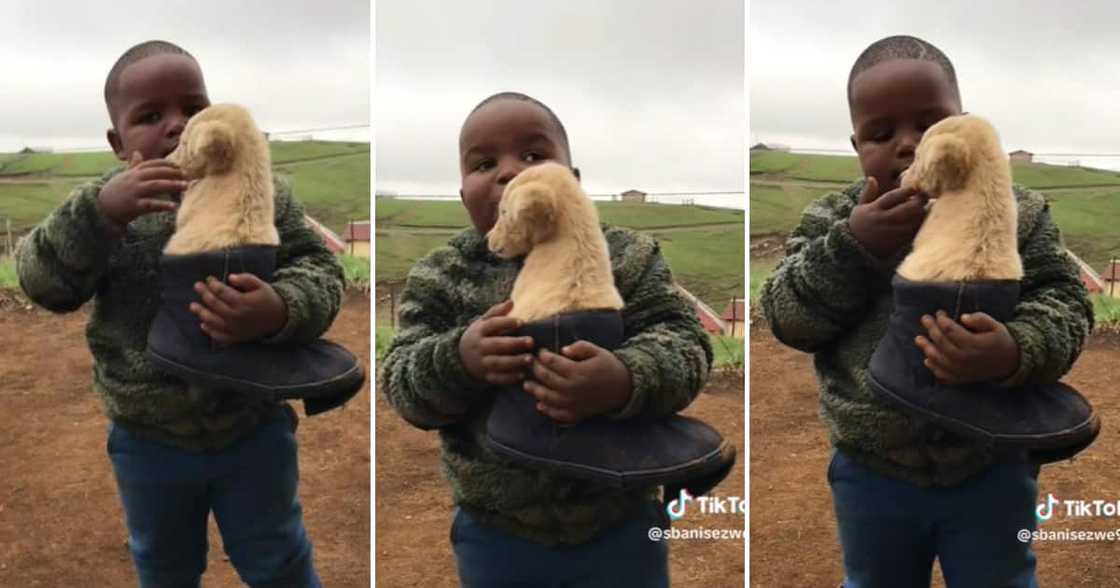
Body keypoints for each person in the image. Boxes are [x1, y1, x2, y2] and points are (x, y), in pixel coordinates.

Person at [760, 35, 1092, 588]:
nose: (908, 145)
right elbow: (789, 317)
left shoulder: (1015, 210)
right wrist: (853, 247)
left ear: (961, 122)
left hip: (991, 462)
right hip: (871, 469)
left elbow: (1065, 299)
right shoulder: (837, 217)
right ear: (856, 144)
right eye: (881, 133)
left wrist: (1014, 349)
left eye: (930, 124)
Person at [16, 40, 343, 587]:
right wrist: (100, 216)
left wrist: (281, 307)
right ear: (119, 144)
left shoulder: (260, 191)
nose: (177, 126)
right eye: (150, 116)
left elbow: (320, 269)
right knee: (164, 564)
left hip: (252, 428)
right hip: (148, 441)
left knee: (278, 557)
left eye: (193, 108)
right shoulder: (108, 206)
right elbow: (43, 283)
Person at [380, 91, 715, 587]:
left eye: (535, 156)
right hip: (497, 531)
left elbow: (686, 342)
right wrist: (460, 359)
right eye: (483, 163)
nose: (511, 172)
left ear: (573, 183)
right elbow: (402, 383)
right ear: (462, 193)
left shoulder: (627, 257)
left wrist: (624, 377)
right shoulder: (443, 276)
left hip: (621, 517)